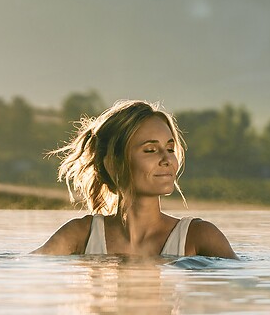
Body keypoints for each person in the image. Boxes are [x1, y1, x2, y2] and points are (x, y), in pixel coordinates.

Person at [32, 99, 237, 258]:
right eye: (150, 150)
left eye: (170, 148)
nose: (167, 160)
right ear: (113, 164)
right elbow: (24, 269)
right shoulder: (80, 235)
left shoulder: (199, 236)